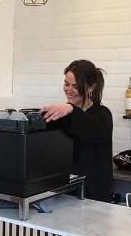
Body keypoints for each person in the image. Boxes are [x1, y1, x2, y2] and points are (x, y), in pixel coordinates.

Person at [41, 60, 113, 202]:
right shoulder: (64, 115)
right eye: (66, 84)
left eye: (76, 86)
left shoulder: (103, 115)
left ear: (91, 88)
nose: (69, 90)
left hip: (95, 195)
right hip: (65, 193)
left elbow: (92, 130)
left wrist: (71, 109)